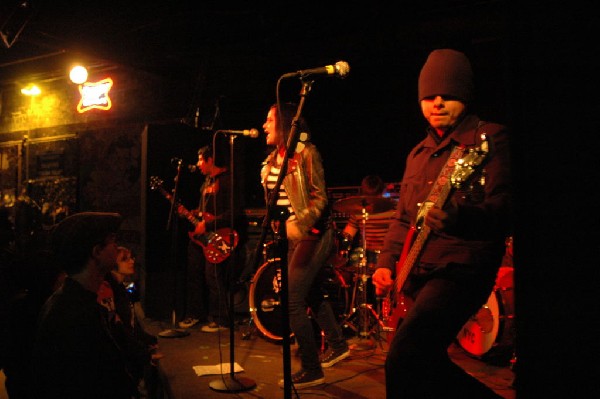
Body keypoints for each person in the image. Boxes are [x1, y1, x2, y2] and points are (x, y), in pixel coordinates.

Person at [371, 48, 512, 398]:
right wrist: (386, 264)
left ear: (464, 97)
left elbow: (505, 208)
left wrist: (458, 217)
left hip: (460, 269)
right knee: (425, 362)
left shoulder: (490, 139)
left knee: (403, 358)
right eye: (429, 96)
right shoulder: (417, 155)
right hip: (417, 273)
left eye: (447, 96)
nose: (437, 102)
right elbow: (403, 219)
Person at [261, 102, 349, 389]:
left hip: (313, 234)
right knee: (309, 293)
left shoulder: (306, 154)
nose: (264, 125)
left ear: (285, 124)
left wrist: (297, 225)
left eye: (269, 120)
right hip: (291, 239)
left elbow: (320, 199)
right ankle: (337, 343)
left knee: (291, 299)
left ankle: (311, 368)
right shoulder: (272, 162)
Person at [31, 212, 139, 399]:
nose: (117, 247)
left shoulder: (77, 302)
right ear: (96, 252)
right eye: (112, 241)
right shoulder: (75, 315)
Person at [178, 145, 244, 332]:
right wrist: (194, 214)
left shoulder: (228, 180)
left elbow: (234, 212)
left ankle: (221, 319)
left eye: (200, 160)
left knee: (213, 278)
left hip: (220, 236)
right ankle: (196, 314)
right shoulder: (206, 182)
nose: (198, 164)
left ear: (210, 160)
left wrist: (207, 225)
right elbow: (206, 210)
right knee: (194, 275)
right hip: (202, 237)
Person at [98, 246, 164, 398]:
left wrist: (148, 340)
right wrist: (143, 353)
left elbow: (130, 324)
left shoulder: (120, 288)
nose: (132, 261)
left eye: (131, 257)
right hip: (122, 363)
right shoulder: (109, 290)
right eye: (125, 259)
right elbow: (118, 330)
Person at [340, 175, 396, 272]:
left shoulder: (359, 212)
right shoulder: (394, 209)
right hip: (384, 258)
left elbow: (348, 235)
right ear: (382, 191)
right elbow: (347, 236)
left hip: (386, 258)